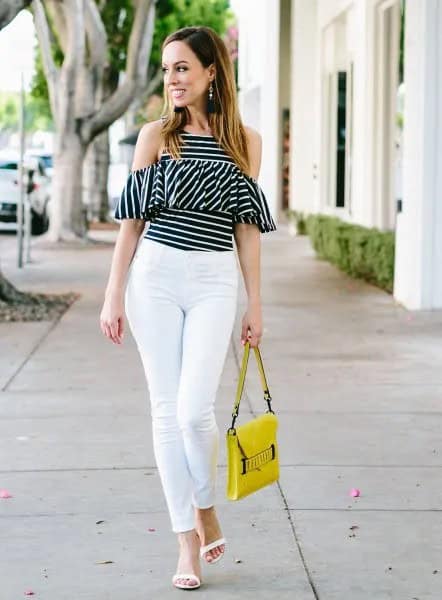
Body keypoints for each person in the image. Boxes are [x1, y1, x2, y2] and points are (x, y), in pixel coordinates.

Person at [100, 25, 276, 591]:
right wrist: (112, 294)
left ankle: (205, 509)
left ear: (209, 73)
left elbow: (248, 230)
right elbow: (132, 225)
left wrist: (255, 302)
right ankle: (188, 540)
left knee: (194, 411)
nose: (172, 79)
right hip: (153, 279)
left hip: (213, 280)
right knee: (164, 411)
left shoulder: (245, 141)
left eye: (182, 67)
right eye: (167, 68)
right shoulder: (154, 136)